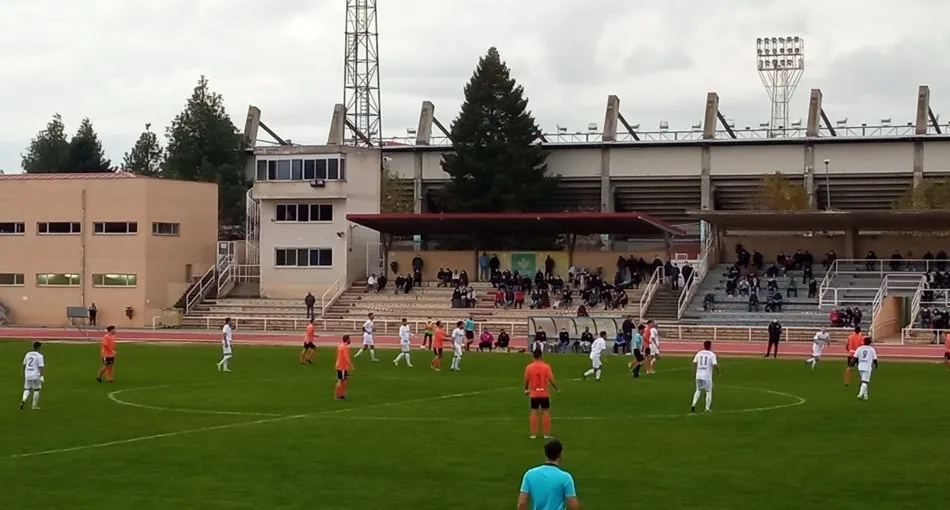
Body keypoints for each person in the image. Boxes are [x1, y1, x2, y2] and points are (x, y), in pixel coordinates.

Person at [517, 439, 578, 510]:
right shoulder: (565, 477)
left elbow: (522, 503)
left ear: (545, 453)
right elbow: (573, 506)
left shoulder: (529, 474)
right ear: (560, 454)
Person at [524, 349, 559, 440]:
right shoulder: (546, 367)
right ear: (541, 356)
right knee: (546, 412)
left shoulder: (529, 367)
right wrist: (557, 388)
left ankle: (533, 434)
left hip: (534, 394)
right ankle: (546, 434)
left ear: (533, 356)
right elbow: (551, 379)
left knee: (534, 412)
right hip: (544, 393)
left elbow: (526, 380)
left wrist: (526, 389)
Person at [691, 340, 720, 413]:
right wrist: (718, 373)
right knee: (708, 391)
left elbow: (694, 362)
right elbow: (715, 365)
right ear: (710, 346)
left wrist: (694, 372)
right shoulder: (711, 354)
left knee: (698, 390)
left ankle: (693, 405)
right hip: (706, 376)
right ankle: (707, 408)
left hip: (698, 375)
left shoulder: (699, 353)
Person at [20, 341, 44, 411]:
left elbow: (24, 365)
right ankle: (34, 405)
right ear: (38, 347)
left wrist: (25, 373)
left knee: (27, 389)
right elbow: (41, 367)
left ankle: (23, 400)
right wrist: (42, 376)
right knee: (37, 389)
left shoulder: (28, 354)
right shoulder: (39, 356)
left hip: (28, 374)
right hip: (36, 375)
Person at [334, 335, 353, 400]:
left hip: (339, 365)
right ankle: (338, 396)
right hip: (342, 366)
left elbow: (338, 356)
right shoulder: (345, 347)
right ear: (347, 340)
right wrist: (351, 365)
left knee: (345, 379)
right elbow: (346, 357)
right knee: (340, 380)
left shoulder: (339, 346)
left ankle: (341, 394)